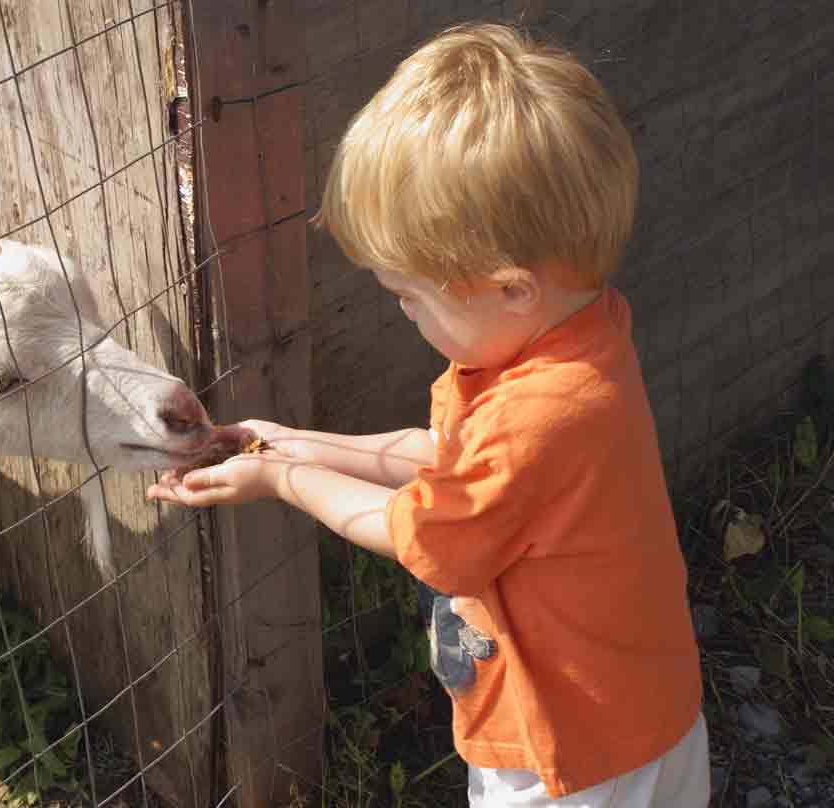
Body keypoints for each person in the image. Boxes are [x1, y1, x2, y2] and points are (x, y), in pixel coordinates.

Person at [148, 21, 708, 807]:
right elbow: (445, 454)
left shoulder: (538, 413)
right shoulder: (577, 340)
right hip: (629, 718)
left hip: (576, 759)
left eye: (410, 297)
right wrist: (288, 441)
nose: (406, 316)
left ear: (513, 288)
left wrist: (287, 482)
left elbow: (414, 532)